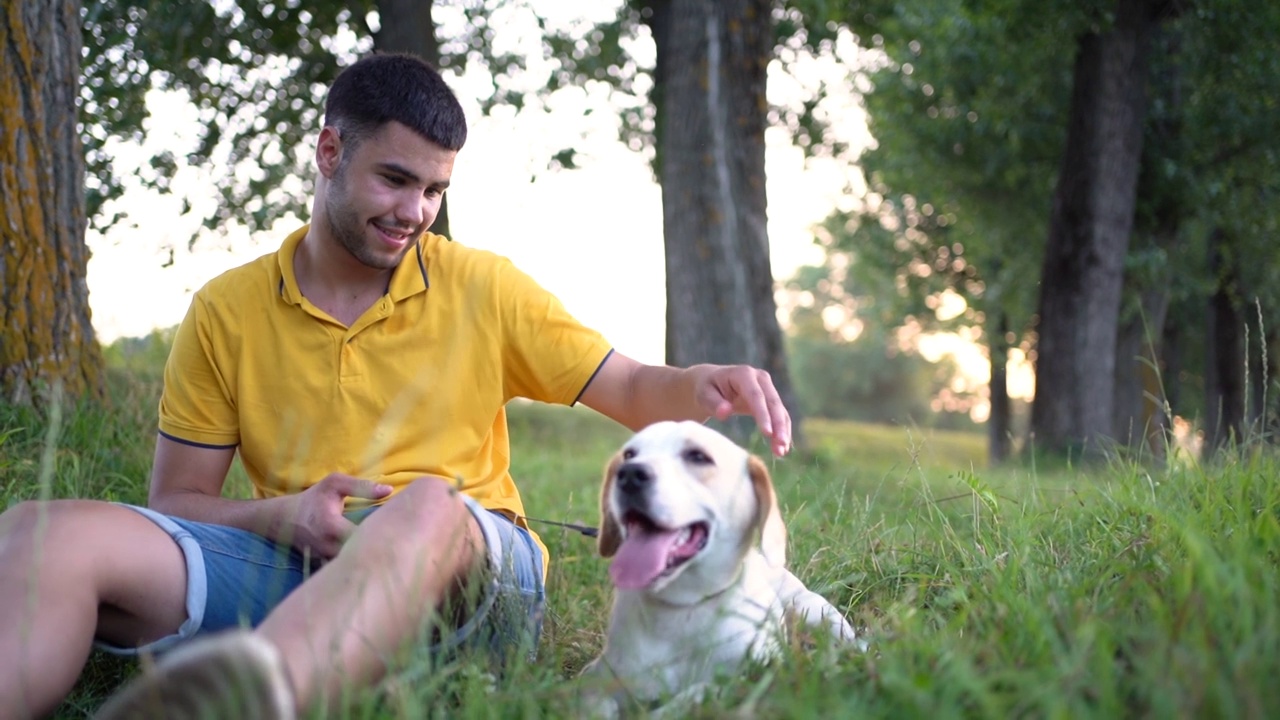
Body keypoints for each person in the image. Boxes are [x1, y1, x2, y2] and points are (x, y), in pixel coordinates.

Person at [0, 52, 792, 720]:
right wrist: (284, 514)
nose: (416, 211)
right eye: (396, 180)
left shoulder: (484, 286)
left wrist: (702, 382)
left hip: (474, 574)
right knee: (44, 531)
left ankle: (251, 695)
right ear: (328, 152)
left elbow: (628, 385)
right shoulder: (226, 310)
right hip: (302, 565)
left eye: (436, 191)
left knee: (425, 506)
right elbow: (176, 502)